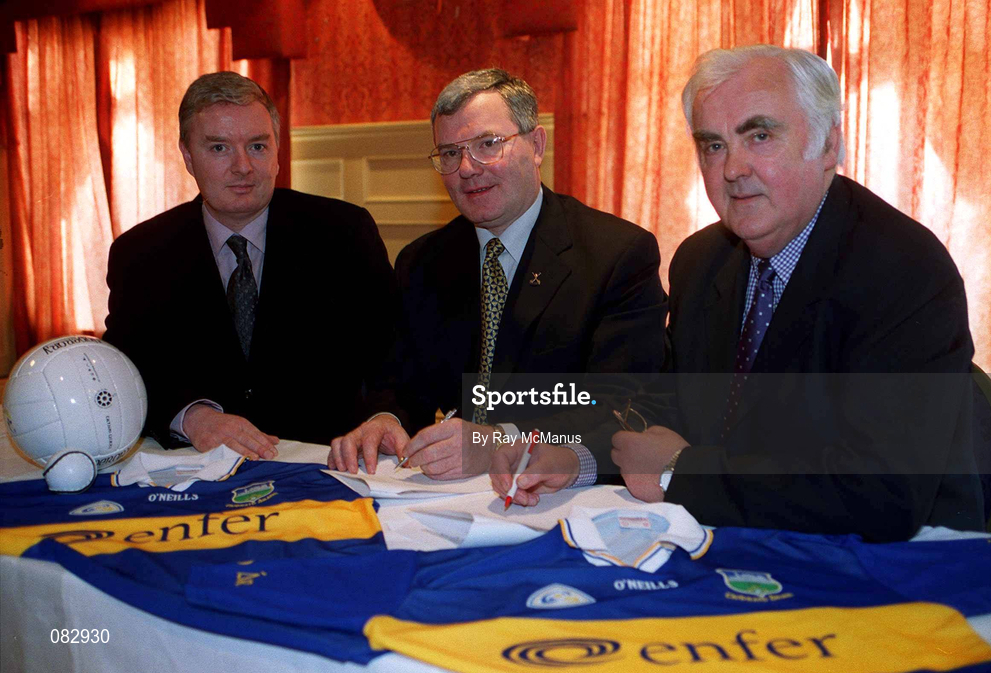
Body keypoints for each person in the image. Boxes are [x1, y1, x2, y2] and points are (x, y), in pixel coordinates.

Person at [495, 45, 983, 540]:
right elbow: (665, 409)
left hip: (899, 575)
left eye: (760, 136)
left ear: (829, 145)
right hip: (737, 545)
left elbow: (882, 495)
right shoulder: (702, 261)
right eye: (713, 145)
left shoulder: (905, 270)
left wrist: (681, 472)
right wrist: (575, 457)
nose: (731, 169)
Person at [328, 69, 666, 482]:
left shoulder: (617, 254)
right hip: (444, 494)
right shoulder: (422, 262)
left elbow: (621, 406)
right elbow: (397, 381)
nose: (467, 168)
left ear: (536, 145)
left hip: (556, 494)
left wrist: (495, 443)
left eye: (488, 144)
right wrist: (384, 417)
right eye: (450, 153)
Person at [105, 72, 395, 459]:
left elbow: (392, 350)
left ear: (278, 152)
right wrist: (190, 417)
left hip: (329, 463)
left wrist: (383, 415)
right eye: (220, 148)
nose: (243, 166)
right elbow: (126, 371)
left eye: (257, 146)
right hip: (194, 467)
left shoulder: (344, 233)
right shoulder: (140, 253)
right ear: (188, 156)